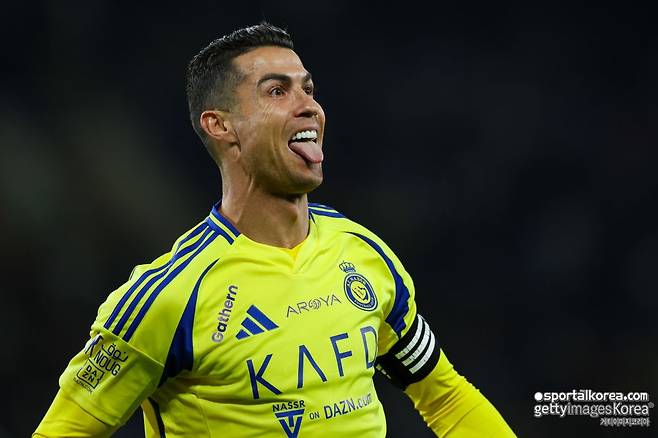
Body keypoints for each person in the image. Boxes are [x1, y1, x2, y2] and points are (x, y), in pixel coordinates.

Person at [34, 22, 515, 437]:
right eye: (277, 91)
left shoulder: (363, 252)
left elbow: (446, 398)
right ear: (220, 125)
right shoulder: (170, 298)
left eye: (309, 89)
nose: (309, 106)